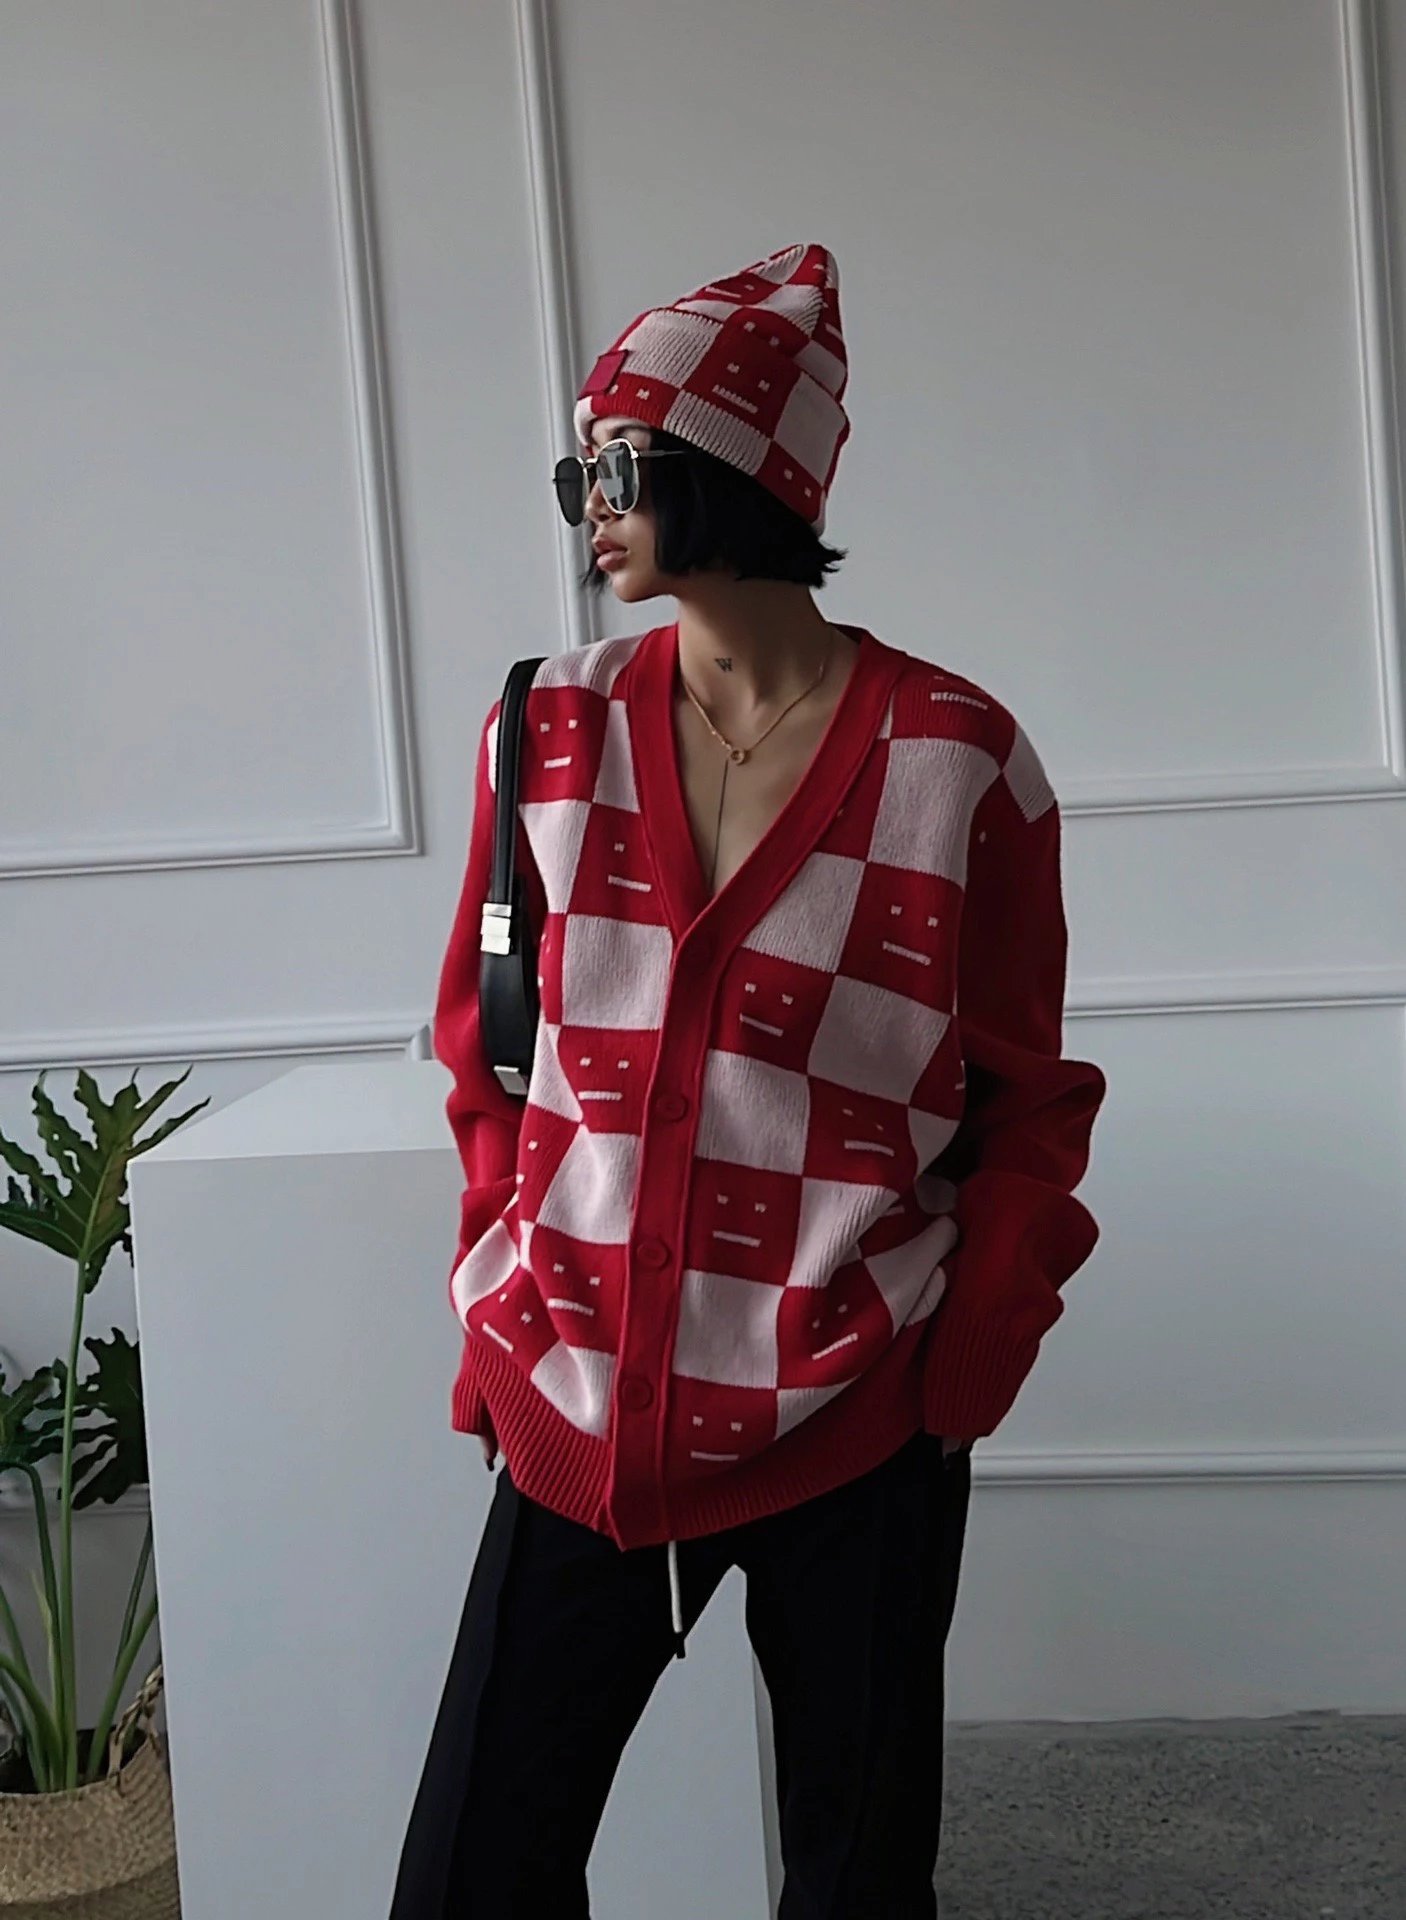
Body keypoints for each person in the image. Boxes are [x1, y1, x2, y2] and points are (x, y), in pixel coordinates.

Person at [390, 241, 1107, 1919]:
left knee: (858, 1879)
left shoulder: (955, 757)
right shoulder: (541, 727)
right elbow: (488, 1057)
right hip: (577, 1385)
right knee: (475, 1872)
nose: (585, 509)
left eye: (617, 467)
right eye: (574, 472)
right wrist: (492, 1288)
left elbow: (1024, 1093)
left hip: (857, 1398)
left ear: (735, 470)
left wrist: (975, 1343)